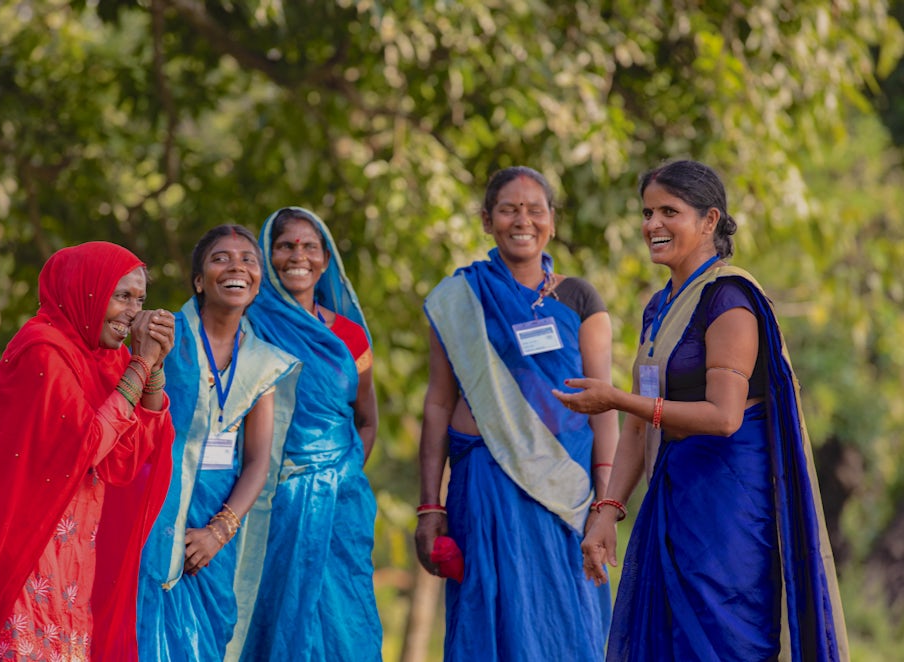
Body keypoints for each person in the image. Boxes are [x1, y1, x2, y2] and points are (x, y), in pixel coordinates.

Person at [553, 159, 850, 660]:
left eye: (669, 211)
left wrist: (617, 398)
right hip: (672, 498)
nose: (652, 225)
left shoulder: (729, 299)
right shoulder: (659, 306)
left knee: (723, 641)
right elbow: (636, 424)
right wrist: (608, 510)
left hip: (727, 510)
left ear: (710, 220)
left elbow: (724, 416)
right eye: (647, 213)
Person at [415, 166, 617, 662]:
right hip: (484, 486)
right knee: (489, 619)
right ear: (487, 220)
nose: (521, 219)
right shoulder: (461, 298)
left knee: (569, 623)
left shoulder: (580, 297)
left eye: (534, 209)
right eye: (508, 209)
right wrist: (429, 506)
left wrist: (604, 505)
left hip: (564, 491)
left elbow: (605, 410)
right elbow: (439, 401)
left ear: (551, 221)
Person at [0, 241, 176, 661]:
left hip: (72, 547)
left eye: (139, 300)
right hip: (22, 535)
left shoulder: (106, 361)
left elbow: (125, 461)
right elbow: (89, 443)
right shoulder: (42, 348)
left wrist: (152, 370)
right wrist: (139, 366)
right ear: (85, 290)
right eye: (121, 296)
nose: (133, 313)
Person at [136, 225, 300, 660]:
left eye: (248, 259)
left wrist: (217, 533)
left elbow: (257, 463)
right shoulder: (165, 337)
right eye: (220, 258)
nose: (237, 267)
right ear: (198, 280)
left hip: (211, 540)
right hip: (150, 522)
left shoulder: (262, 362)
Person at [239, 207, 382, 661]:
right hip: (270, 500)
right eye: (285, 246)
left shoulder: (350, 336)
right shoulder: (249, 326)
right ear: (268, 255)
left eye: (309, 246)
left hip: (342, 502)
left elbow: (366, 419)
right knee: (274, 616)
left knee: (347, 619)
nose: (297, 255)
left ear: (325, 259)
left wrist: (344, 474)